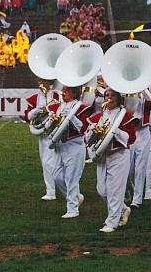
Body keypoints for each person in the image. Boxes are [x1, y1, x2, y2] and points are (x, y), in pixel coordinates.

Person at [85, 89, 137, 233]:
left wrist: (115, 131)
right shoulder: (98, 116)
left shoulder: (124, 116)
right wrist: (92, 131)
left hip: (119, 155)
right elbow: (86, 139)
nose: (109, 98)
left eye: (112, 95)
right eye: (106, 95)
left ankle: (112, 222)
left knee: (115, 190)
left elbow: (131, 138)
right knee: (102, 190)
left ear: (119, 98)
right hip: (102, 156)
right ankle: (123, 209)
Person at [48, 86, 93, 218]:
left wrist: (70, 116)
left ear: (73, 93)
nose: (63, 93)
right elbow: (48, 128)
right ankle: (77, 197)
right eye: (63, 90)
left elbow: (82, 128)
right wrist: (50, 120)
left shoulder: (81, 107)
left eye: (66, 91)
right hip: (60, 145)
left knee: (72, 178)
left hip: (74, 145)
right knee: (56, 176)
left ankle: (72, 209)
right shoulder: (59, 106)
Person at [25, 80, 60, 201]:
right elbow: (27, 117)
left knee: (50, 162)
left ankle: (52, 191)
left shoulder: (56, 95)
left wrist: (50, 110)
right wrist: (36, 111)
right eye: (39, 81)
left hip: (56, 131)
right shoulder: (34, 98)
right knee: (45, 162)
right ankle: (51, 190)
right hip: (42, 133)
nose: (41, 83)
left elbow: (61, 110)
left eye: (43, 81)